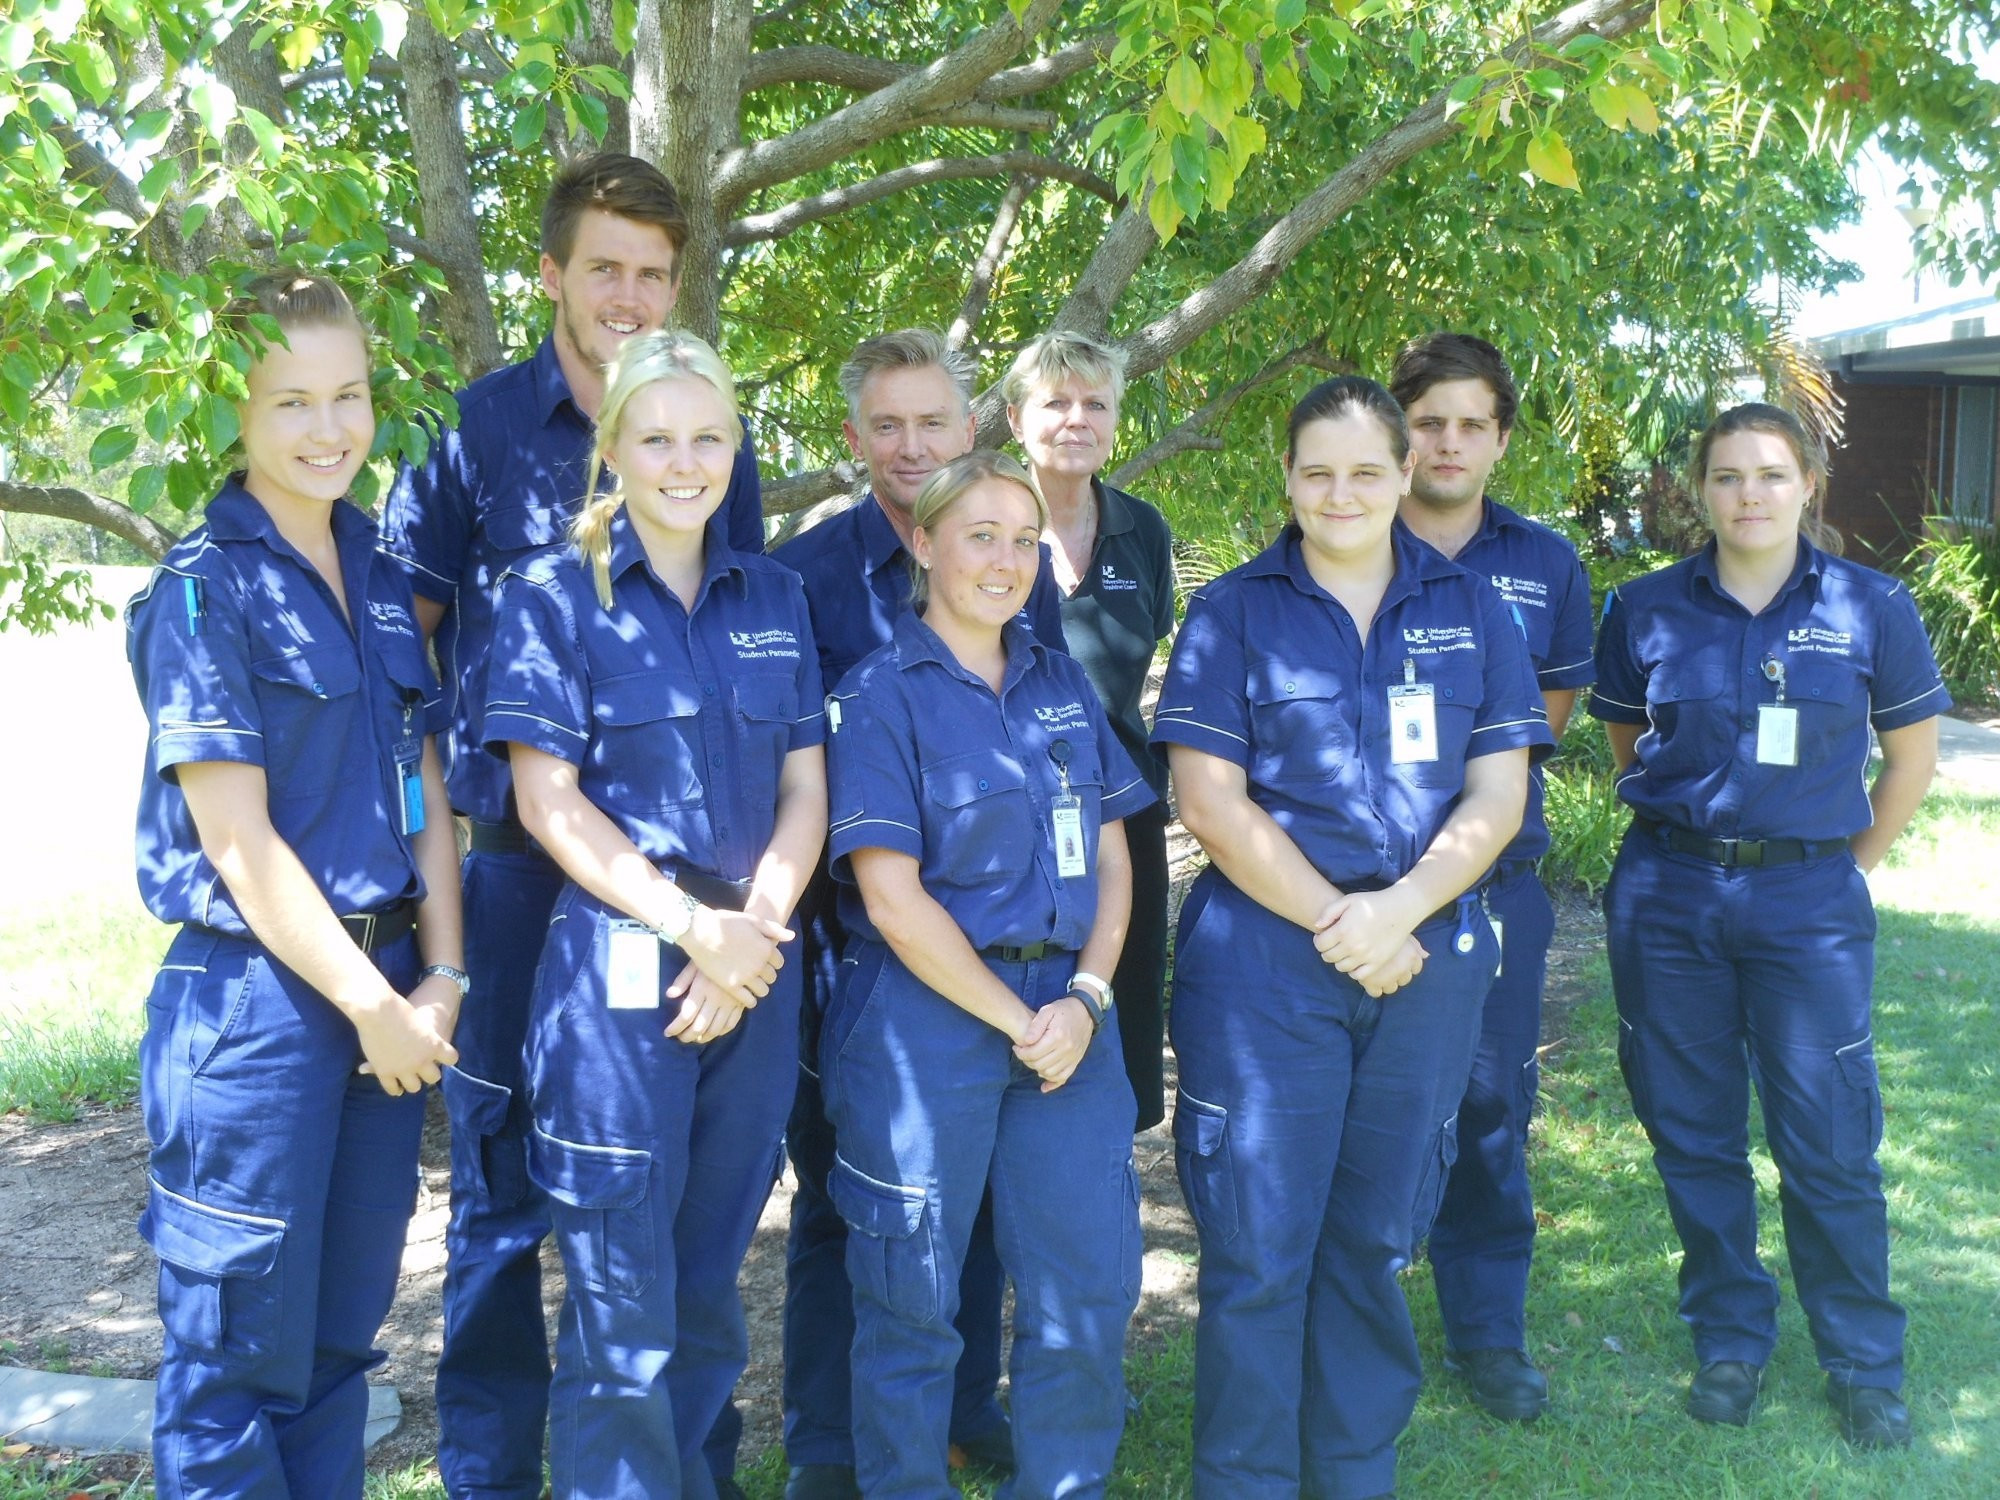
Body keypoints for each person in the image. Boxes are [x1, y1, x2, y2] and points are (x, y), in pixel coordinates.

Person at [379, 152, 764, 1500]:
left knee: (669, 1204)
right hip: (513, 870)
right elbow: (405, 658)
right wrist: (427, 848)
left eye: (653, 273)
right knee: (499, 1192)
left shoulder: (714, 432)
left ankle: (676, 1467)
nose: (626, 293)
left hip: (671, 884)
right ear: (550, 273)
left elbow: (726, 619)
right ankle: (493, 1471)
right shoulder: (476, 432)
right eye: (603, 266)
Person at [1156, 375, 1551, 1499]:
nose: (1340, 491)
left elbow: (1496, 797)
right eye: (1316, 470)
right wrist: (1344, 921)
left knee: (1374, 1239)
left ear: (1401, 475)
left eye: (1364, 470)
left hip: (1419, 958)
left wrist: (1398, 911)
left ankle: (1349, 1471)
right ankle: (1243, 1480)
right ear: (1285, 478)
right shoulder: (1232, 612)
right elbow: (1210, 802)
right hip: (1266, 966)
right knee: (1257, 1246)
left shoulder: (1471, 607)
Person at [127, 271, 464, 1497]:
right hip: (258, 1008)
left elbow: (419, 779)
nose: (329, 429)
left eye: (350, 396)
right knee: (234, 1361)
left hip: (388, 985)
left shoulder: (379, 570)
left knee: (335, 1345)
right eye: (291, 404)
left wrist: (443, 969)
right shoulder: (204, 586)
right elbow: (238, 841)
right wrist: (376, 1005)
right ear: (237, 416)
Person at [481, 330, 826, 1498]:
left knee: (707, 1293)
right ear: (613, 446)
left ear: (737, 445)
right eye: (658, 437)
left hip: (752, 974)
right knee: (623, 1316)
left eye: (709, 436)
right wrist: (697, 932)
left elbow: (803, 791)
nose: (686, 462)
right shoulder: (548, 594)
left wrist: (754, 936)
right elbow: (546, 801)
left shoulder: (772, 595)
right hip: (627, 975)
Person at [1590, 402, 1946, 1449]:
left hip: (1807, 906)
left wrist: (1838, 871)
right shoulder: (1643, 608)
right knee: (1692, 1134)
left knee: (1827, 1141)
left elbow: (1910, 759)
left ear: (1806, 485)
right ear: (1698, 490)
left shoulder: (1869, 605)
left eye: (1770, 474)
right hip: (1667, 897)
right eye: (1728, 475)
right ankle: (1729, 1340)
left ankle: (1861, 1363)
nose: (1749, 493)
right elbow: (1628, 743)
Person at [769, 328, 1066, 1499]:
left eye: (930, 422)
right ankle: (827, 1445)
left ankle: (961, 1407)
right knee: (850, 1207)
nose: (908, 445)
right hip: (857, 954)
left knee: (980, 1194)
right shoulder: (796, 579)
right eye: (884, 425)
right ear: (853, 440)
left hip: (1001, 949)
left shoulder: (1000, 554)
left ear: (967, 433)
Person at [823, 449, 1152, 1497]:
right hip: (925, 1029)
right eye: (979, 535)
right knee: (910, 1301)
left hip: (1068, 1023)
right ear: (921, 545)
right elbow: (891, 899)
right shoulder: (876, 695)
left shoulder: (1058, 683)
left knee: (1082, 1292)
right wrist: (1025, 1020)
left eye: (1023, 539)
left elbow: (1112, 856)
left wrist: (1088, 1000)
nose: (1006, 560)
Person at [1388, 332, 1595, 1420]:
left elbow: (1533, 730)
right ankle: (1352, 1317)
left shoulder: (1544, 564)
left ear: (1500, 439)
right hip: (1352, 897)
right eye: (1429, 422)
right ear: (1397, 429)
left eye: (1472, 424)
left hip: (1489, 890)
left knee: (1487, 1108)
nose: (1449, 442)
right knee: (1357, 1113)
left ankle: (1485, 1332)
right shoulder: (1348, 537)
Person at [1004, 331, 1177, 1132]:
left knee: (1125, 993)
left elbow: (1147, 647)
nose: (1077, 419)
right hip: (1007, 810)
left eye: (1095, 403)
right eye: (1055, 402)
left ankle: (1106, 1162)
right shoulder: (985, 521)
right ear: (1015, 418)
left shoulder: (1144, 530)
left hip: (1121, 809)